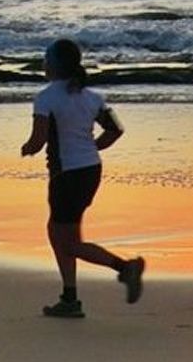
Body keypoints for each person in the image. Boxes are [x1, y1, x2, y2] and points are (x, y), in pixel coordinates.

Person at [20, 38, 144, 318]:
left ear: (54, 65)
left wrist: (27, 148)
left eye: (46, 59)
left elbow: (38, 140)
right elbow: (115, 130)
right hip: (90, 170)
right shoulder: (92, 97)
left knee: (66, 241)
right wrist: (91, 148)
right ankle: (70, 298)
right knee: (61, 232)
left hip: (67, 175)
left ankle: (125, 268)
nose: (43, 64)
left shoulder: (46, 97)